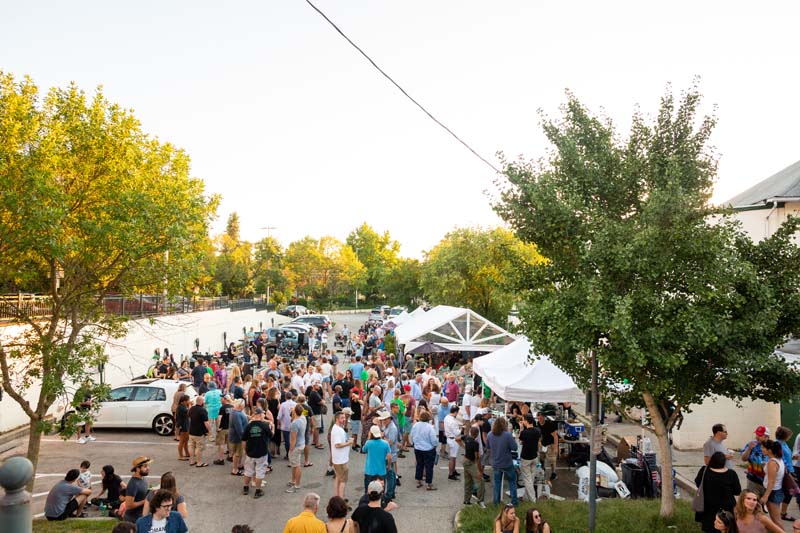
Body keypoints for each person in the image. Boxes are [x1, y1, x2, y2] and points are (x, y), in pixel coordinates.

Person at [695, 451, 742, 532]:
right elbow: (737, 491)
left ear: (712, 460)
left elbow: (697, 483)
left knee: (710, 528)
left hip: (708, 507)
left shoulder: (704, 470)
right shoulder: (731, 474)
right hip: (726, 508)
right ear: (724, 462)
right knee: (726, 528)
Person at [240, 406, 273, 499]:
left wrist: (245, 450)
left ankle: (245, 488)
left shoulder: (249, 426)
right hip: (261, 452)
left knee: (248, 471)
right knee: (260, 471)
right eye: (263, 414)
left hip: (250, 452)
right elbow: (271, 435)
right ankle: (258, 491)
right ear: (259, 414)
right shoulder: (264, 425)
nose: (264, 415)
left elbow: (243, 440)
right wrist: (273, 428)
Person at [487, 416, 519, 506]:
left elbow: (488, 448)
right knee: (512, 482)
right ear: (504, 425)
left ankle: (496, 503)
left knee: (497, 483)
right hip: (507, 463)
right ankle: (514, 502)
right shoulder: (507, 435)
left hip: (496, 462)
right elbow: (515, 448)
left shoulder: (490, 434)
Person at [410, 410, 439, 490]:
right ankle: (429, 484)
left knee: (419, 464)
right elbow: (434, 440)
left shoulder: (415, 426)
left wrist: (415, 443)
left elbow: (412, 436)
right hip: (428, 449)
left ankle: (418, 481)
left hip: (418, 448)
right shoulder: (430, 427)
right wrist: (435, 445)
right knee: (429, 466)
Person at [760, 439, 786, 527]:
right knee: (776, 519)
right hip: (776, 491)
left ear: (770, 450)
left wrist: (765, 496)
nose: (761, 449)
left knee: (776, 520)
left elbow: (771, 481)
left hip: (773, 492)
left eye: (763, 448)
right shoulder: (778, 460)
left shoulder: (772, 462)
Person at [459, 425, 486, 507]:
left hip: (465, 460)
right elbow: (477, 457)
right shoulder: (475, 443)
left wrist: (464, 446)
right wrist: (480, 470)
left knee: (468, 481)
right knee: (480, 480)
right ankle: (480, 501)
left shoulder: (466, 437)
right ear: (477, 434)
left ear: (471, 432)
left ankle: (466, 500)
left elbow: (457, 439)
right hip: (470, 463)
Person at [330, 411, 355, 499]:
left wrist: (347, 441)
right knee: (343, 481)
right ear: (337, 419)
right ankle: (341, 500)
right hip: (341, 460)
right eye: (342, 418)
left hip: (338, 459)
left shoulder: (337, 428)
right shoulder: (338, 430)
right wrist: (349, 443)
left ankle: (337, 497)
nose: (344, 419)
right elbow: (337, 445)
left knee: (338, 478)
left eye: (344, 417)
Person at [774, 426, 797, 521]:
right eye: (789, 435)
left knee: (788, 492)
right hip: (786, 472)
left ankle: (782, 512)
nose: (790, 437)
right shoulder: (778, 445)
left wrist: (794, 458)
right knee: (789, 492)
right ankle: (782, 513)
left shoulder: (783, 443)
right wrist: (789, 473)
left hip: (790, 470)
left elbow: (787, 457)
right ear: (784, 436)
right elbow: (782, 460)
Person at [362, 424, 392, 494]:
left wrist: (368, 438)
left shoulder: (368, 443)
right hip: (381, 470)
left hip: (370, 470)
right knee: (381, 490)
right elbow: (389, 457)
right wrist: (388, 466)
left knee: (368, 490)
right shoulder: (385, 443)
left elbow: (363, 450)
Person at [742, 426, 769, 498]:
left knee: (764, 502)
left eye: (760, 435)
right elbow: (744, 459)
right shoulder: (751, 444)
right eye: (756, 434)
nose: (757, 437)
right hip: (753, 480)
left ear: (767, 437)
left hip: (767, 481)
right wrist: (749, 449)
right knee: (752, 501)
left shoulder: (772, 446)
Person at [519, 413, 541, 502]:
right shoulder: (537, 431)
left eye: (523, 420)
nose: (522, 421)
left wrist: (521, 428)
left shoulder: (524, 432)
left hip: (526, 458)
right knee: (531, 478)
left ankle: (532, 500)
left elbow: (520, 440)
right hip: (534, 456)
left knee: (527, 479)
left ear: (526, 421)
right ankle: (526, 497)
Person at [123, 456, 152, 523]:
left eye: (148, 466)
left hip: (141, 516)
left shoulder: (142, 478)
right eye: (145, 466)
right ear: (138, 469)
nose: (148, 468)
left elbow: (141, 493)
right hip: (133, 520)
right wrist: (145, 501)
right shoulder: (133, 484)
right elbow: (128, 505)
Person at [287, 404, 308, 493]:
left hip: (296, 446)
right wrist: (294, 412)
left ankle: (297, 485)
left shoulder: (294, 424)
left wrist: (291, 449)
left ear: (295, 412)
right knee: (294, 464)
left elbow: (293, 438)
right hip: (302, 443)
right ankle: (293, 481)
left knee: (296, 465)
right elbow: (295, 417)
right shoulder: (303, 418)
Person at [187, 395, 210, 467]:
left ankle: (192, 461)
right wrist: (209, 431)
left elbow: (189, 417)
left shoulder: (191, 409)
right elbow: (206, 422)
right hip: (199, 432)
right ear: (202, 402)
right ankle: (199, 462)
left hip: (191, 431)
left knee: (191, 446)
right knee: (199, 448)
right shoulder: (203, 410)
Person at [536, 412, 558, 481]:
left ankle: (554, 473)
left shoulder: (549, 425)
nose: (539, 420)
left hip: (550, 444)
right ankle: (543, 468)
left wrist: (555, 447)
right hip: (542, 444)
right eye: (538, 418)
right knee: (541, 458)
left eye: (541, 418)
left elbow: (555, 436)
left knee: (552, 460)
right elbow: (540, 434)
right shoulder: (538, 423)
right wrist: (539, 441)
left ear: (544, 417)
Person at [443, 404, 462, 481]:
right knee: (452, 458)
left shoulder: (446, 417)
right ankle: (451, 474)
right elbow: (457, 432)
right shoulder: (453, 421)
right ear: (456, 412)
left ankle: (453, 471)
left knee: (453, 457)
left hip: (449, 438)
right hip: (453, 439)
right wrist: (461, 429)